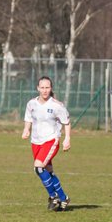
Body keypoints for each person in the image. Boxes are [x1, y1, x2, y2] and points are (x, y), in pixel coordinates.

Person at [22, 76, 72, 211]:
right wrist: (26, 129)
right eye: (42, 87)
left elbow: (66, 122)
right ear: (38, 88)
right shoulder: (31, 103)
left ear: (51, 88)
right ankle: (63, 197)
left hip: (51, 140)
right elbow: (28, 118)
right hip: (36, 141)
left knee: (38, 167)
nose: (45, 90)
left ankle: (53, 196)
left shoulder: (57, 105)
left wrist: (67, 139)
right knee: (47, 171)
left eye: (47, 87)